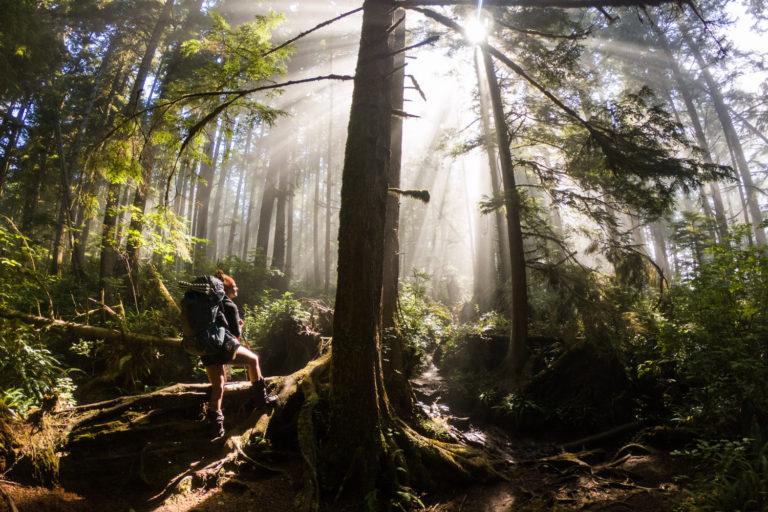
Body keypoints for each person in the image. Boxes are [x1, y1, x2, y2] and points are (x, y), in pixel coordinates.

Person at [203, 270, 274, 440]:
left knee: (218, 386)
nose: (237, 288)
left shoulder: (211, 303)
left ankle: (215, 427)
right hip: (222, 350)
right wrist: (239, 326)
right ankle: (262, 401)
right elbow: (234, 333)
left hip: (206, 348)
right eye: (234, 286)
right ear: (226, 289)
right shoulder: (229, 305)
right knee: (253, 359)